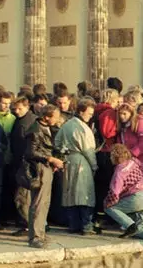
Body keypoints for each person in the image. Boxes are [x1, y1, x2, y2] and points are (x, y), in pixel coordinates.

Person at [103, 144, 143, 256]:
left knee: (109, 208)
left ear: (114, 157)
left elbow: (114, 192)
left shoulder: (119, 170)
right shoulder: (134, 161)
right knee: (139, 231)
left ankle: (130, 225)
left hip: (137, 198)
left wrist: (108, 202)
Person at [55, 98, 99, 235]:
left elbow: (57, 142)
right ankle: (86, 225)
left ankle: (73, 224)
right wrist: (94, 166)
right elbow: (88, 150)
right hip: (82, 161)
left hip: (69, 160)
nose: (90, 116)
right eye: (89, 113)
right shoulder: (82, 128)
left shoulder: (67, 125)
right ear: (81, 111)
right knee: (84, 194)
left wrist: (63, 153)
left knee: (71, 194)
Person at [24, 105, 64, 248]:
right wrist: (51, 159)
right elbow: (31, 152)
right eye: (55, 116)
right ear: (46, 117)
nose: (58, 119)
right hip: (39, 167)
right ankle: (35, 236)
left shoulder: (48, 128)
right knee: (38, 202)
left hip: (46, 167)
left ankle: (40, 233)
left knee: (45, 202)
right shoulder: (35, 130)